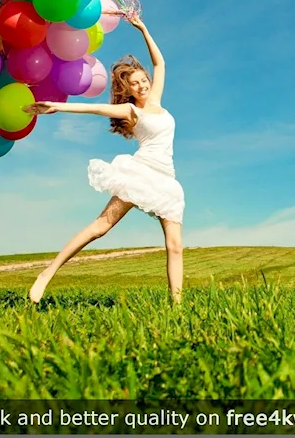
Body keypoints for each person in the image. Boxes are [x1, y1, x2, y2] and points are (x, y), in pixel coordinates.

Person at [23, 15, 185, 305]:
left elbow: (160, 64)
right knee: (100, 227)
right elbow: (95, 109)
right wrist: (56, 107)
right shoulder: (131, 111)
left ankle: (178, 306)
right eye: (135, 84)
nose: (141, 86)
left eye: (143, 80)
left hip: (167, 180)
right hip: (140, 173)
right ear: (130, 90)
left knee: (175, 246)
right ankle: (47, 273)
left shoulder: (158, 101)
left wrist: (144, 28)